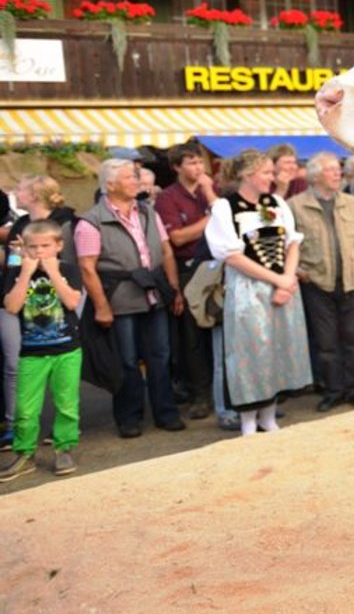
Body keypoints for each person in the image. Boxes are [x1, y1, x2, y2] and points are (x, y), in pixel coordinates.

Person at [205, 150, 313, 435]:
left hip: (282, 286)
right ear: (247, 174)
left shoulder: (275, 202)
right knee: (251, 352)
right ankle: (248, 422)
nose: (272, 178)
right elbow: (232, 256)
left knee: (277, 348)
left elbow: (292, 243)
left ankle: (268, 416)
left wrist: (288, 279)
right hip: (248, 289)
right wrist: (278, 281)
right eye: (266, 172)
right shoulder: (224, 208)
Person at [75, 158, 186, 438]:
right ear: (110, 184)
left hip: (154, 293)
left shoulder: (148, 212)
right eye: (129, 178)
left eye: (135, 177)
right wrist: (101, 307)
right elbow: (87, 268)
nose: (136, 182)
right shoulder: (91, 221)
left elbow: (166, 251)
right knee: (126, 360)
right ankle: (129, 418)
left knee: (161, 356)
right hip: (120, 298)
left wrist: (174, 289)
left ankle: (166, 413)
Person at [288, 152, 354, 412]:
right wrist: (299, 269)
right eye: (330, 169)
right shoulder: (295, 205)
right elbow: (289, 244)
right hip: (317, 283)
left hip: (353, 281)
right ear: (316, 175)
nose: (337, 172)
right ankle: (333, 390)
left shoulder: (351, 202)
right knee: (326, 343)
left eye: (337, 169)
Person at [0, 220, 83, 481]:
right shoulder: (15, 273)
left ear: (58, 246)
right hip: (31, 353)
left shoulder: (69, 269)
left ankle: (64, 448)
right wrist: (25, 274)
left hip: (66, 349)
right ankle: (25, 454)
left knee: (66, 404)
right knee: (25, 408)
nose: (39, 252)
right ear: (23, 248)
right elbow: (12, 307)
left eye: (45, 246)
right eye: (32, 247)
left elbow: (71, 301)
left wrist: (54, 272)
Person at [1, 176, 77, 448]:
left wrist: (51, 270)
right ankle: (18, 432)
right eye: (34, 246)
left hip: (60, 311)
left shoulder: (64, 222)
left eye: (20, 188)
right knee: (16, 367)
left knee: (65, 392)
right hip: (22, 297)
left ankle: (62, 440)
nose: (14, 192)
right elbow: (12, 264)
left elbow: (71, 279)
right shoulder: (20, 225)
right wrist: (20, 266)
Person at [154, 143, 218, 422]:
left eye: (200, 162)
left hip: (217, 265)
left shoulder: (213, 192)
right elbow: (177, 238)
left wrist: (211, 197)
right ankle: (200, 394)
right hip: (188, 268)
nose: (198, 168)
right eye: (191, 163)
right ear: (177, 167)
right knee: (192, 337)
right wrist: (212, 217)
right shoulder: (167, 198)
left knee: (218, 329)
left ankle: (222, 390)